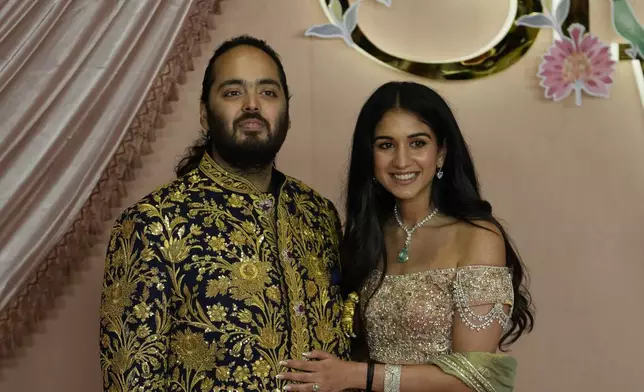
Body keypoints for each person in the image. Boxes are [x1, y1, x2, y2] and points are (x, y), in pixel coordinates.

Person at [99, 35, 350, 392]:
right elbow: (130, 381)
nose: (252, 105)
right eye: (233, 93)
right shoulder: (153, 222)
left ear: (286, 113)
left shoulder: (317, 212)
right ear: (204, 114)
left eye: (268, 92)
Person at [278, 81, 534, 392]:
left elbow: (475, 376)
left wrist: (357, 375)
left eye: (417, 143)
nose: (401, 161)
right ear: (370, 156)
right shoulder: (368, 237)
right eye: (386, 145)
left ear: (441, 153)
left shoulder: (477, 237)